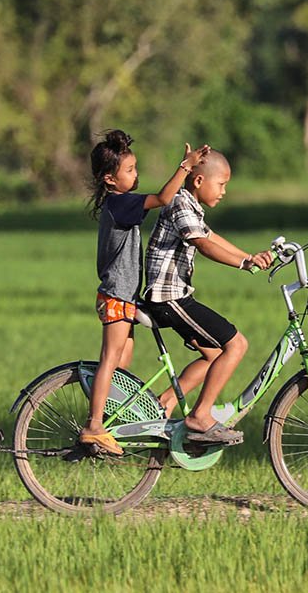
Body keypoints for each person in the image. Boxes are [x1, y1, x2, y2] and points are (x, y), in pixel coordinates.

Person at [79, 129, 210, 455]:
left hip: (123, 297)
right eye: (129, 171)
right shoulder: (120, 204)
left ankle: (112, 424)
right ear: (110, 180)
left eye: (135, 168)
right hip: (116, 296)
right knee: (110, 360)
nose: (135, 175)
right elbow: (165, 198)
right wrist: (185, 166)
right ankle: (94, 426)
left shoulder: (117, 204)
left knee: (121, 364)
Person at [143, 149, 273, 443]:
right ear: (199, 180)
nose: (225, 192)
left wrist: (250, 257)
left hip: (173, 297)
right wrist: (243, 263)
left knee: (214, 355)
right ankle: (200, 416)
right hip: (168, 298)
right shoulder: (179, 203)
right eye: (222, 184)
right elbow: (202, 243)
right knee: (236, 345)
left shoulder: (190, 205)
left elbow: (211, 236)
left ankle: (165, 402)